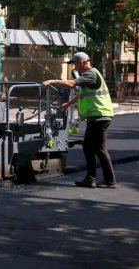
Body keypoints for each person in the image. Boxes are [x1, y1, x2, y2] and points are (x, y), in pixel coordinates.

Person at [42, 52, 117, 189]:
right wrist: (68, 104)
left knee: (97, 148)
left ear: (82, 62)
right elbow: (83, 93)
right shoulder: (90, 76)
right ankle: (97, 179)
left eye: (75, 64)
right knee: (93, 147)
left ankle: (104, 180)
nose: (74, 68)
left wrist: (52, 81)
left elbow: (71, 84)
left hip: (99, 116)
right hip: (99, 116)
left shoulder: (90, 74)